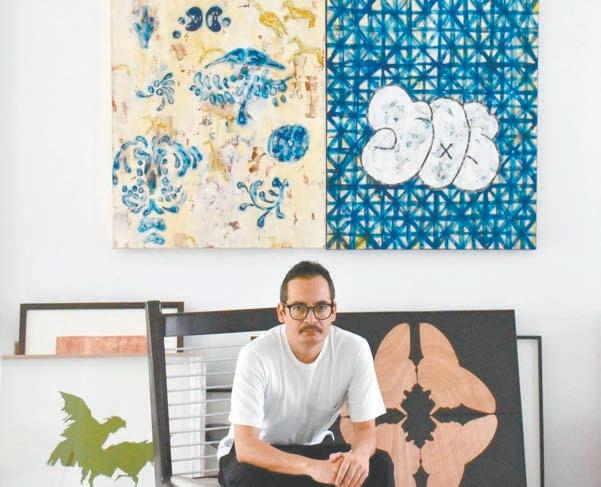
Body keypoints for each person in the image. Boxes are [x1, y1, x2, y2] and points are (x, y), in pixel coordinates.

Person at [217, 261, 394, 487]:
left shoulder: (354, 350)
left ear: (333, 311)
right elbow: (246, 447)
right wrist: (312, 468)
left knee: (379, 464)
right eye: (299, 308)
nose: (311, 319)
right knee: (248, 478)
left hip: (312, 449)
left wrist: (358, 458)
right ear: (282, 312)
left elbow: (365, 430)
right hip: (256, 455)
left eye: (321, 307)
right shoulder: (255, 355)